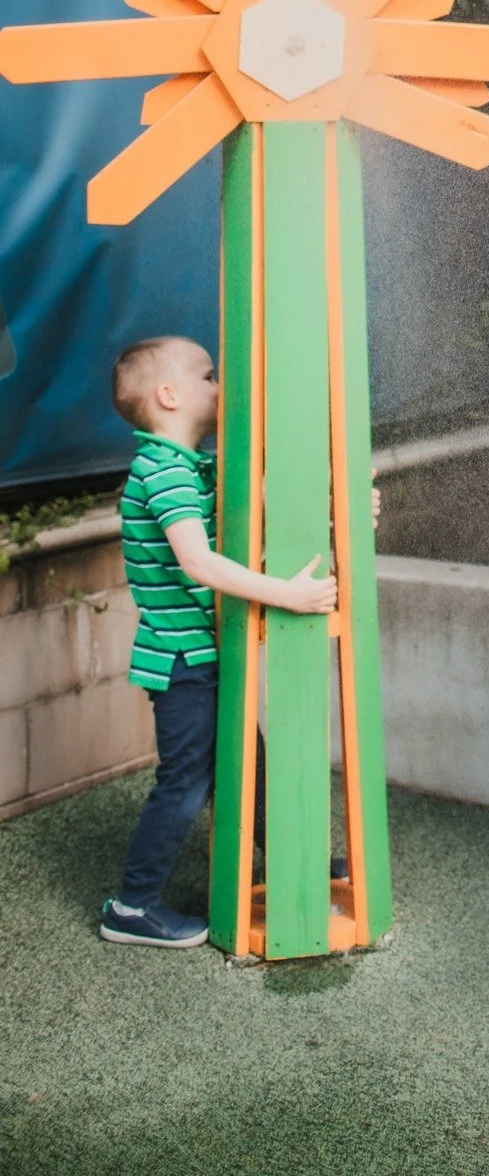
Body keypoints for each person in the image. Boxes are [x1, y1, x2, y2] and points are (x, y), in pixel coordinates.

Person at [100, 336, 336, 948]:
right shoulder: (164, 471)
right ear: (170, 395)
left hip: (203, 654)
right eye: (210, 375)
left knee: (244, 760)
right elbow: (200, 563)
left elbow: (249, 512)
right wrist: (284, 593)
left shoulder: (186, 467)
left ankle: (290, 862)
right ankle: (131, 906)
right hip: (183, 663)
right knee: (187, 778)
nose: (221, 386)